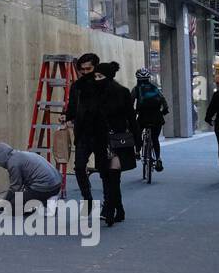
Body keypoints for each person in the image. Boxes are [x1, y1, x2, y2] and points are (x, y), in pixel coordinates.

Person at [62, 52, 108, 214]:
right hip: (83, 133)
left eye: (88, 69)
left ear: (96, 67)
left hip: (102, 133)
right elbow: (72, 106)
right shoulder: (77, 87)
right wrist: (67, 117)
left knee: (105, 170)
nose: (85, 73)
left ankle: (109, 204)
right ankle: (87, 199)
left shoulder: (104, 84)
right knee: (79, 167)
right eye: (82, 70)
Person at [98, 61, 135, 226]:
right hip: (100, 140)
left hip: (118, 140)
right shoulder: (92, 93)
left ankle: (108, 210)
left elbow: (131, 117)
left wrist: (138, 141)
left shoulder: (122, 92)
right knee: (108, 176)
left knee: (112, 176)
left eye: (100, 76)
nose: (97, 79)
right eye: (95, 76)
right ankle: (118, 209)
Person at [0, 141, 62, 209]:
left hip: (45, 188)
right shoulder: (19, 154)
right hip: (57, 185)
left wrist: (4, 202)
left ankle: (43, 202)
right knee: (20, 197)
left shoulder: (12, 163)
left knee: (12, 207)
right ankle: (50, 199)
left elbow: (15, 187)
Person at [131, 67, 169, 171]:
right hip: (157, 117)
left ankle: (138, 152)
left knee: (137, 133)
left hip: (143, 117)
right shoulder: (155, 88)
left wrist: (132, 114)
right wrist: (164, 111)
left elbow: (130, 103)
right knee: (155, 139)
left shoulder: (136, 89)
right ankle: (158, 159)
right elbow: (163, 100)